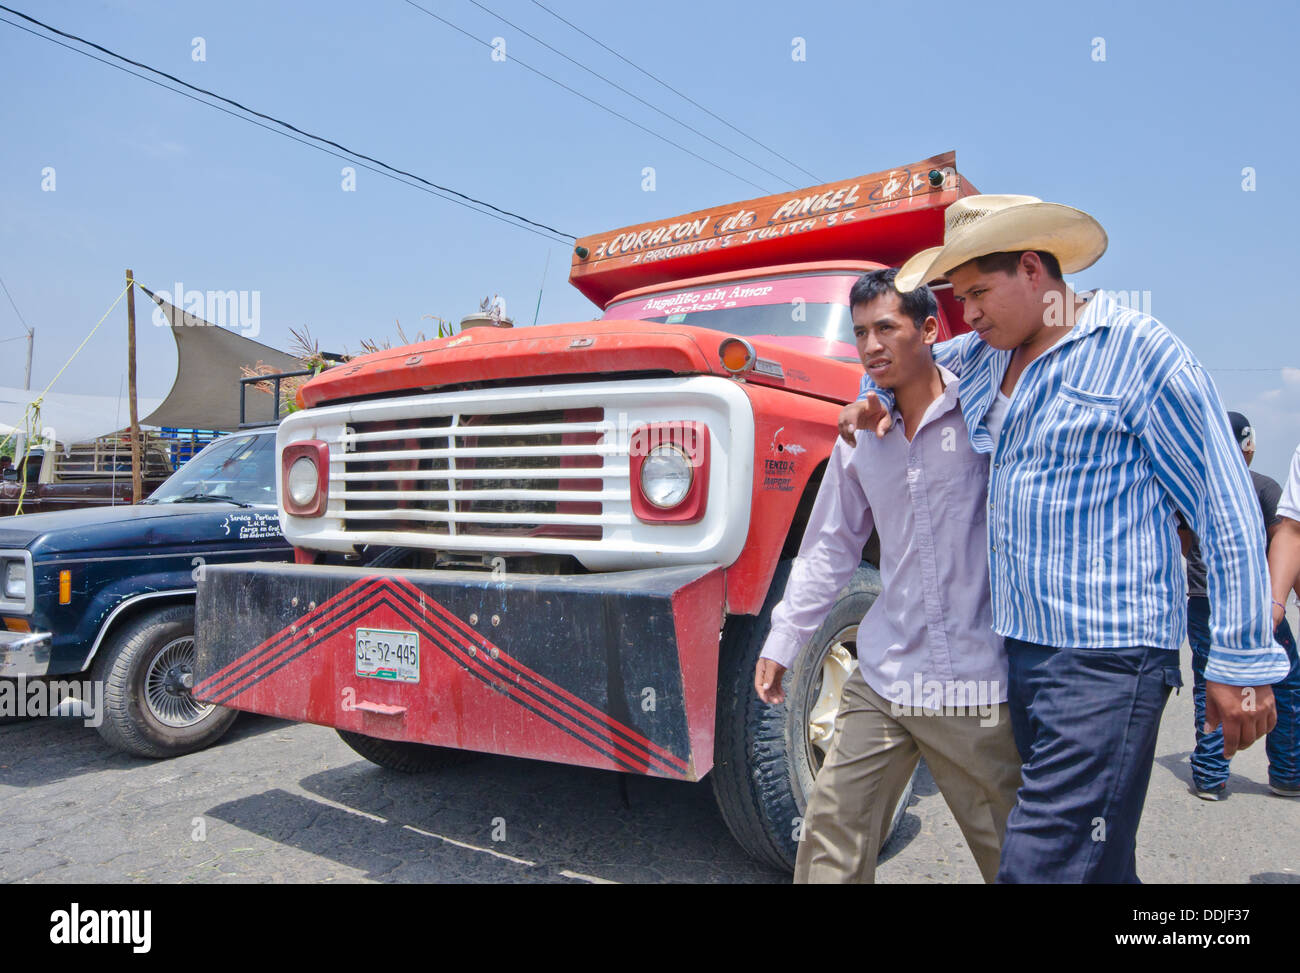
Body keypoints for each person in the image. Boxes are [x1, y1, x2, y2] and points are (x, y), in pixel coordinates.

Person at [839, 194, 1287, 883]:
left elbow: (1223, 505)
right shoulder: (985, 358)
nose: (972, 312)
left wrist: (1240, 658)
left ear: (1032, 269)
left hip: (1109, 657)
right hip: (1023, 652)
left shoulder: (1140, 352)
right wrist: (876, 398)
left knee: (1040, 863)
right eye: (961, 298)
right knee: (1096, 861)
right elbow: (910, 363)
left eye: (981, 293)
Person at [755, 268, 1021, 883]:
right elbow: (829, 546)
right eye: (859, 334)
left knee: (1014, 856)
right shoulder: (860, 437)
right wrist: (784, 638)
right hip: (884, 674)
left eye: (886, 328)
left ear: (928, 330)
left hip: (975, 685)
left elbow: (1002, 338)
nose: (871, 346)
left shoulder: (985, 415)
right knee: (830, 841)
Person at [1181, 413, 1299, 799]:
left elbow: (1182, 544)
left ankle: (1211, 776)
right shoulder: (1264, 488)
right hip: (1254, 600)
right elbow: (1287, 540)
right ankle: (1287, 770)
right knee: (1284, 678)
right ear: (1247, 446)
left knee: (1208, 684)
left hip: (1201, 599)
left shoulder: (1193, 488)